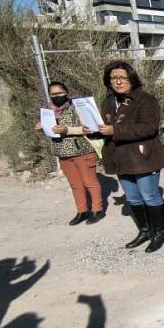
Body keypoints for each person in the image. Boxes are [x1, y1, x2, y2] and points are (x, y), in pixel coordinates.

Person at [97, 60, 164, 253]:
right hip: (120, 158)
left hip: (142, 157)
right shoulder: (108, 101)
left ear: (132, 79)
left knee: (150, 196)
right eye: (113, 78)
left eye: (122, 78)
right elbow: (105, 127)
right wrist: (93, 129)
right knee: (133, 198)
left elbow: (148, 127)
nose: (118, 82)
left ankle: (159, 233)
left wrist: (115, 130)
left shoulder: (146, 99)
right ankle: (145, 230)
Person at [35, 81, 104, 225]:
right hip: (63, 154)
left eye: (60, 93)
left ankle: (97, 209)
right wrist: (42, 127)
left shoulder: (77, 108)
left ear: (66, 93)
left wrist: (67, 130)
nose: (57, 96)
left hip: (82, 151)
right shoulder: (48, 111)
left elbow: (87, 128)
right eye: (53, 94)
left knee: (89, 182)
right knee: (75, 184)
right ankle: (82, 211)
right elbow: (50, 131)